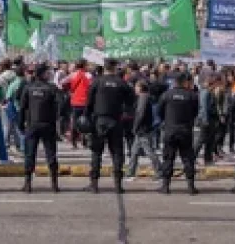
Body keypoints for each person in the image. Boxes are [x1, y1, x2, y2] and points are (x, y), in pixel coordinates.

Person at [85, 58, 134, 194]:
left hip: (99, 121)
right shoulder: (121, 83)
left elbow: (88, 102)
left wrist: (86, 118)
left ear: (104, 67)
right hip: (115, 121)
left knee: (96, 153)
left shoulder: (97, 82)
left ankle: (94, 185)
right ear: (114, 68)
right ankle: (118, 186)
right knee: (117, 153)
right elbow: (131, 100)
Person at [19, 63, 60, 193]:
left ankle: (28, 184)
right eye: (47, 72)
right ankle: (54, 185)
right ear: (42, 74)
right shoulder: (51, 88)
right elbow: (61, 104)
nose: (49, 75)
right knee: (51, 154)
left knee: (30, 155)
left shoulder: (28, 88)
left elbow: (22, 108)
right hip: (48, 125)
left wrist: (21, 124)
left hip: (32, 125)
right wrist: (56, 118)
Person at [157, 73, 199, 195]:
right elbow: (195, 112)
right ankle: (190, 187)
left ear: (174, 82)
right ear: (185, 82)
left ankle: (165, 186)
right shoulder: (192, 95)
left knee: (168, 158)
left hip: (170, 130)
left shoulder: (166, 95)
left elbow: (159, 112)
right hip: (185, 130)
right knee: (187, 159)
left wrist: (167, 120)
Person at [126, 80, 161, 181]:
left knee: (149, 151)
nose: (135, 89)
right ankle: (130, 173)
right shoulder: (147, 97)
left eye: (136, 87)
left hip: (143, 129)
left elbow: (140, 114)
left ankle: (159, 172)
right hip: (144, 128)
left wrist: (135, 127)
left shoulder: (143, 98)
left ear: (141, 88)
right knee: (134, 152)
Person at [63, 59, 91, 149]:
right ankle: (84, 142)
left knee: (75, 122)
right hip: (85, 102)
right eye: (87, 65)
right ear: (84, 66)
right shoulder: (88, 75)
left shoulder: (72, 75)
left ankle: (74, 142)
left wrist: (70, 90)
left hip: (75, 102)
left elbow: (62, 83)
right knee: (86, 122)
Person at [195, 76, 217, 165]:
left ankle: (208, 159)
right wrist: (205, 120)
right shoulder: (205, 92)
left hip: (210, 118)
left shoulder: (208, 92)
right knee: (202, 139)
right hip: (206, 119)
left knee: (210, 139)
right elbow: (204, 107)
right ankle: (193, 157)